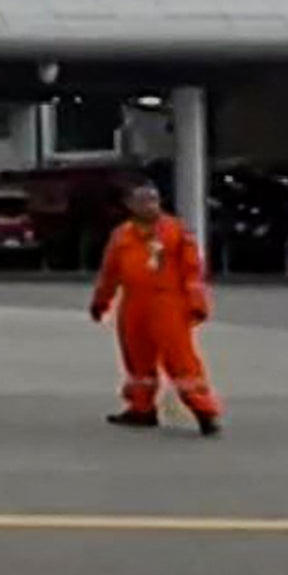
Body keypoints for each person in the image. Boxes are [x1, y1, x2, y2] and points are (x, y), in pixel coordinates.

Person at [91, 179, 221, 435]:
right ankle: (141, 408)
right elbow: (110, 273)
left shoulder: (176, 232)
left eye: (153, 199)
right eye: (142, 200)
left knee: (181, 360)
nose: (149, 205)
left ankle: (204, 411)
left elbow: (192, 271)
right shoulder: (122, 235)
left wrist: (196, 304)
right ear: (129, 204)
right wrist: (101, 301)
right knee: (137, 359)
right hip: (134, 303)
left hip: (168, 303)